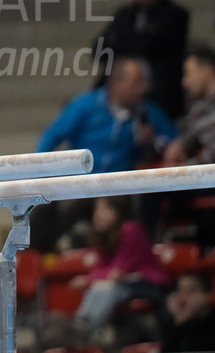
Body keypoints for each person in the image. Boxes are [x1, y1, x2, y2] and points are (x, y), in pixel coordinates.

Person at [32, 55, 175, 252]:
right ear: (117, 82)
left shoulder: (146, 112)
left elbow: (173, 140)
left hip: (119, 189)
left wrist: (154, 142)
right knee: (45, 212)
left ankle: (138, 254)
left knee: (136, 208)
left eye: (143, 83)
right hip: (81, 183)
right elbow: (51, 137)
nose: (142, 90)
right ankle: (41, 259)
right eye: (136, 83)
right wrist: (40, 174)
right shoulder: (85, 105)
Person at [139, 45, 215, 244]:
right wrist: (178, 146)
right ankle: (145, 249)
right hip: (204, 174)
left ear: (207, 70)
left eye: (189, 74)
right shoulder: (198, 105)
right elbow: (188, 134)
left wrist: (187, 167)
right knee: (149, 184)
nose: (185, 82)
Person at [68, 196, 173, 346]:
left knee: (109, 288)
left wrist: (88, 279)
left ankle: (85, 330)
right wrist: (92, 280)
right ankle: (79, 324)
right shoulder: (103, 236)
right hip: (125, 284)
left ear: (118, 211)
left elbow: (117, 272)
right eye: (97, 209)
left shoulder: (131, 229)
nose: (99, 214)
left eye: (105, 209)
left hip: (150, 285)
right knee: (100, 286)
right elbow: (101, 269)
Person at [95, 0, 190, 120]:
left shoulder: (175, 15)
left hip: (156, 90)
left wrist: (121, 42)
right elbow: (98, 49)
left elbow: (150, 47)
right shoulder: (124, 14)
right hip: (117, 86)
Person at [162, 270, 215, 353]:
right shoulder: (178, 319)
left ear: (208, 294)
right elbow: (167, 350)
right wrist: (178, 322)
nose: (183, 296)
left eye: (191, 291)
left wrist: (187, 318)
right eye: (180, 290)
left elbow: (204, 349)